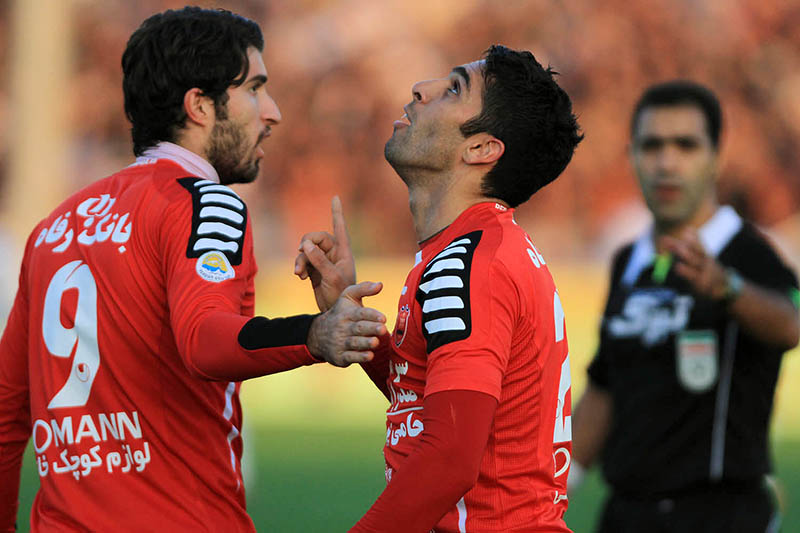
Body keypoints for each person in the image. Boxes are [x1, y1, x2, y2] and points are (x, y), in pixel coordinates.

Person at [0, 7, 388, 532]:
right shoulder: (206, 203)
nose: (272, 112)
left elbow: (6, 413)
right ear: (200, 105)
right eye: (255, 89)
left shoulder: (55, 228)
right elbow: (205, 343)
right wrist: (314, 334)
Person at [295, 45, 583, 532]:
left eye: (453, 89)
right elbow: (440, 402)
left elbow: (450, 457)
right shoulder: (480, 248)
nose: (420, 88)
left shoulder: (468, 264)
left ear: (481, 149)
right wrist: (361, 329)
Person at [569, 80, 800, 532]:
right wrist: (554, 488)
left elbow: (790, 323)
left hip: (720, 516)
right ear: (632, 156)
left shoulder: (748, 253)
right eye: (652, 146)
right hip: (627, 516)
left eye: (686, 145)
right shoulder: (628, 261)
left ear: (717, 156)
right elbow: (606, 385)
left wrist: (728, 288)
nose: (667, 163)